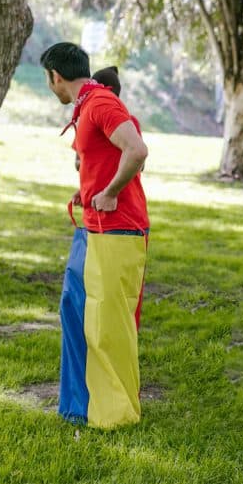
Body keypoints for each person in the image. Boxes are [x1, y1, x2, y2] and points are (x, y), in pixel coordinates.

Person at [42, 43, 150, 429]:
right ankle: (78, 406)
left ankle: (115, 413)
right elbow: (104, 157)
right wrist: (89, 188)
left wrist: (110, 192)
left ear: (55, 75)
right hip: (92, 226)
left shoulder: (101, 103)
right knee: (75, 312)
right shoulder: (87, 106)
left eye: (48, 80)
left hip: (117, 228)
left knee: (108, 322)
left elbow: (136, 151)